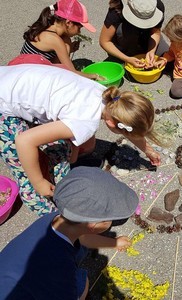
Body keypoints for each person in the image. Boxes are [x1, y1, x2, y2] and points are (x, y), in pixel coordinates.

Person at [0, 64, 161, 216]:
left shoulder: (111, 97)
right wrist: (39, 181)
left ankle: (57, 174)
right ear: (113, 123)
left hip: (11, 79)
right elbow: (24, 141)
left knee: (70, 148)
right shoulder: (85, 122)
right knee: (28, 176)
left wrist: (148, 150)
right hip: (4, 106)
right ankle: (54, 220)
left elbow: (123, 124)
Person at [0, 166, 139, 300]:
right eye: (111, 220)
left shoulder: (57, 218)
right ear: (94, 224)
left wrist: (114, 242)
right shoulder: (60, 269)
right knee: (82, 283)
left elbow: (83, 237)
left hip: (12, 278)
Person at [16, 0, 100, 80]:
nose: (79, 32)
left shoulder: (47, 25)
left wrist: (68, 49)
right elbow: (71, 72)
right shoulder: (55, 40)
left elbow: (45, 58)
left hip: (22, 68)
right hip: (28, 77)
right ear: (68, 23)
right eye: (79, 28)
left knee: (67, 43)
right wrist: (94, 76)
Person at [99, 0, 168, 69]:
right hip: (125, 38)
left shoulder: (156, 6)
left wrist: (151, 51)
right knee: (125, 32)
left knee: (167, 59)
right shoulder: (117, 8)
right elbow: (104, 41)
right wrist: (126, 59)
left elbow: (155, 32)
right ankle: (125, 53)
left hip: (145, 36)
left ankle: (139, 51)